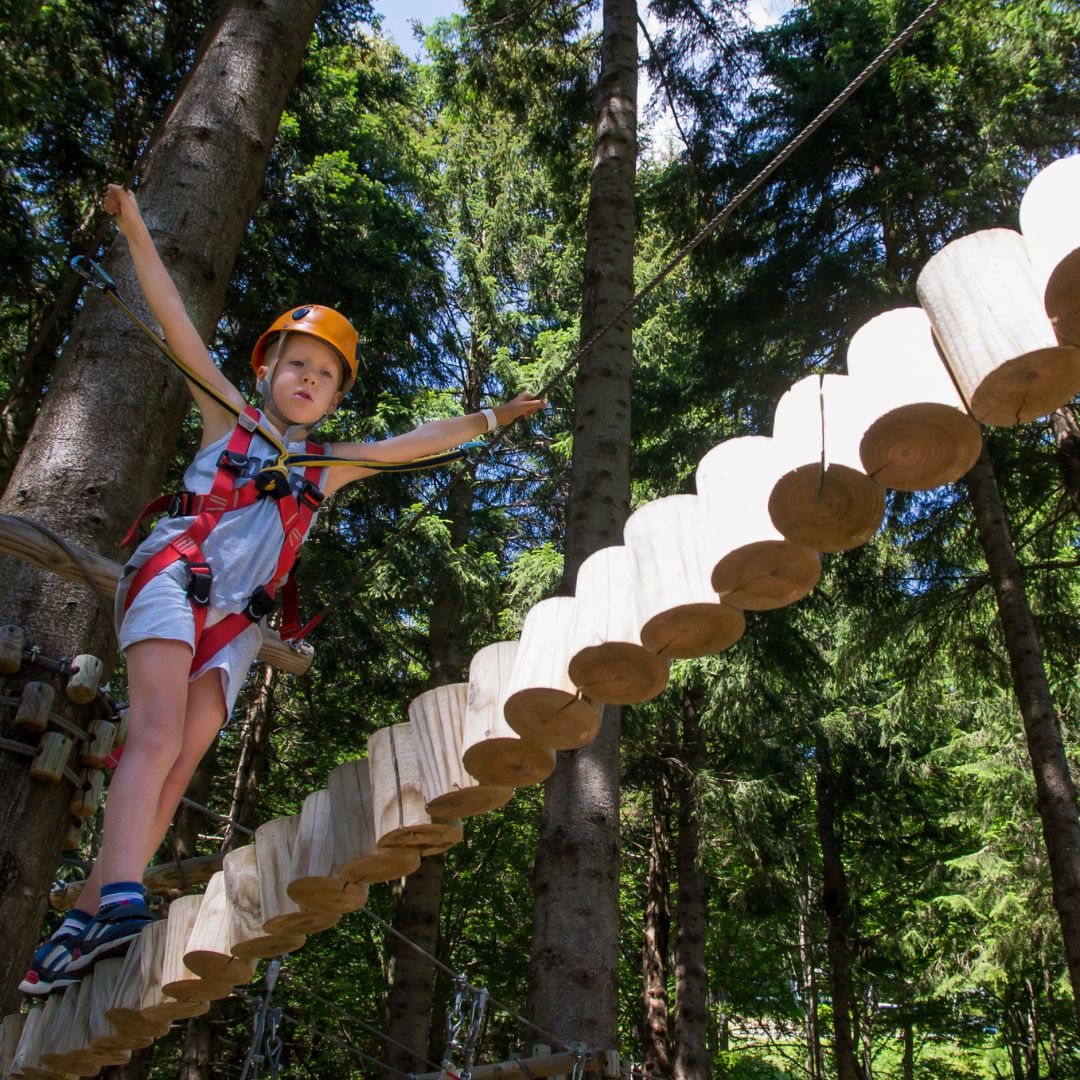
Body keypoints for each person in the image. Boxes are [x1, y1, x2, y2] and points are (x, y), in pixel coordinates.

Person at [19, 184, 545, 994]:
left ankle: (85, 918)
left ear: (335, 398)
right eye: (297, 363)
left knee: (180, 755)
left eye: (325, 376)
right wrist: (133, 226)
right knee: (155, 731)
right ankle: (123, 896)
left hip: (232, 624)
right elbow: (178, 326)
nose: (308, 378)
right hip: (173, 575)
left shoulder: (325, 468)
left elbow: (410, 445)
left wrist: (493, 419)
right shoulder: (226, 415)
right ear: (266, 368)